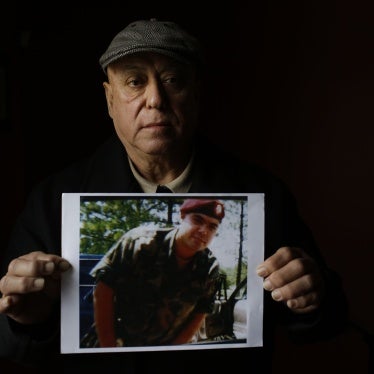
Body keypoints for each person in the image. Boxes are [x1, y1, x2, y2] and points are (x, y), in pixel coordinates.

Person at [0, 19, 348, 373]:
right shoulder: (53, 201)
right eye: (135, 81)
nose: (155, 99)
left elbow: (324, 322)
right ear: (109, 99)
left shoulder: (265, 196)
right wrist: (27, 319)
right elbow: (13, 339)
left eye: (173, 80)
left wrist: (311, 296)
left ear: (195, 94)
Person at [82, 198, 225, 348]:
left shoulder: (209, 268)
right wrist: (109, 349)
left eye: (212, 227)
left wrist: (171, 350)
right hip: (114, 342)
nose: (204, 230)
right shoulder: (141, 243)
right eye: (197, 220)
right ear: (182, 217)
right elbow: (103, 290)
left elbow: (199, 313)